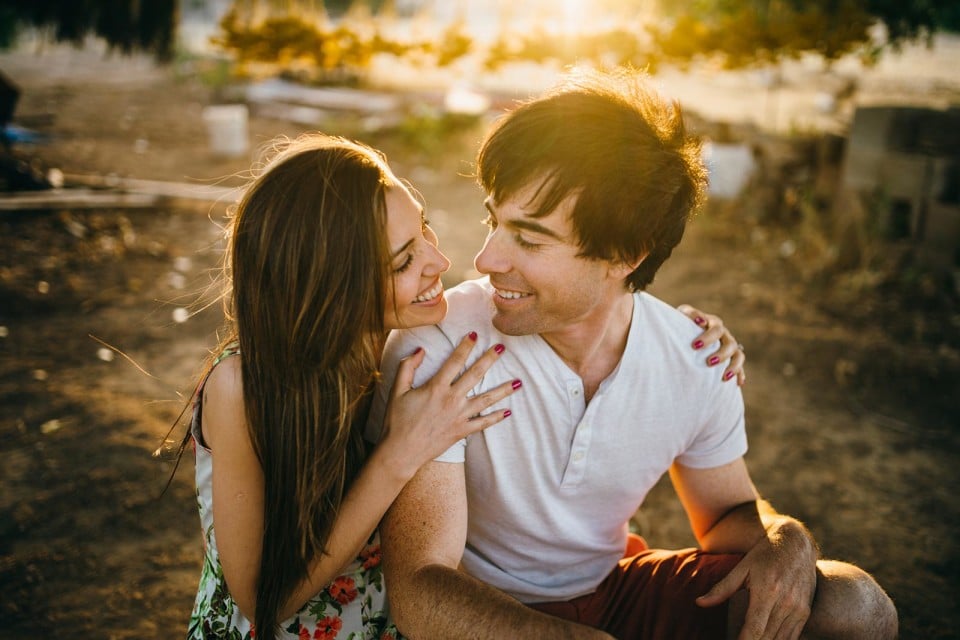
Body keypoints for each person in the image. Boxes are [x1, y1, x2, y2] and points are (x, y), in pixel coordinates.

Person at [369, 69, 898, 639]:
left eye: (529, 238)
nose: (487, 258)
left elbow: (724, 518)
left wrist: (787, 539)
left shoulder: (695, 359)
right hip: (474, 610)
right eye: (493, 220)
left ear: (625, 254)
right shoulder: (443, 341)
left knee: (856, 610)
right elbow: (421, 587)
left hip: (611, 595)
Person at [179, 133, 741, 639]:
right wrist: (399, 453)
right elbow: (261, 598)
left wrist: (673, 328)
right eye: (403, 261)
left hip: (382, 619)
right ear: (334, 286)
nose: (441, 261)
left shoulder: (398, 341)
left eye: (423, 227)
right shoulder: (244, 385)